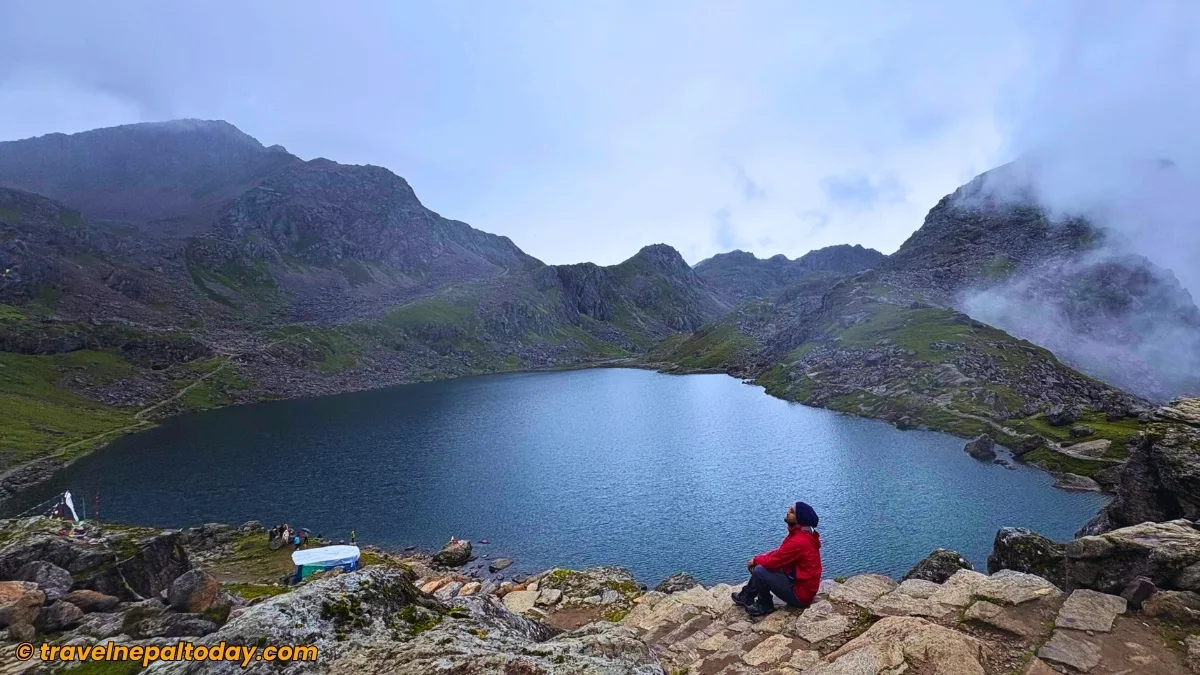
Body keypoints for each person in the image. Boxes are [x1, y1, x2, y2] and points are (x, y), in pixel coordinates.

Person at [732, 501, 823, 617]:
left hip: (800, 595)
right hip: (801, 586)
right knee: (765, 566)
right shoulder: (802, 534)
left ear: (799, 518)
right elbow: (781, 554)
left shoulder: (799, 540)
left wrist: (755, 560)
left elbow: (776, 559)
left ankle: (764, 605)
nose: (788, 512)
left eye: (792, 511)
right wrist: (759, 559)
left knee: (759, 570)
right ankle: (747, 596)